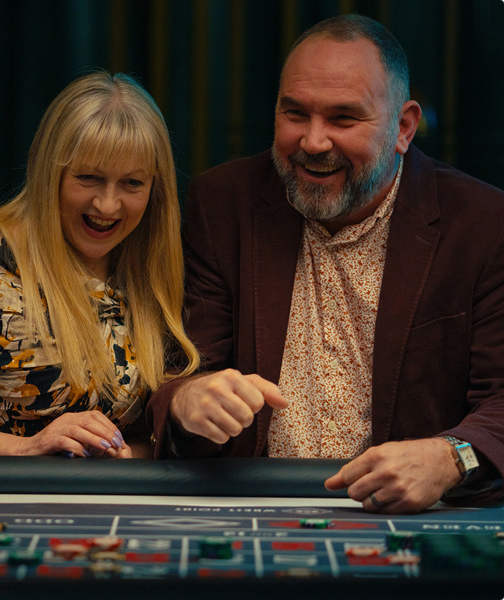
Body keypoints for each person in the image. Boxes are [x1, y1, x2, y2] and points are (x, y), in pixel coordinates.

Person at [146, 14, 504, 513]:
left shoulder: (484, 223)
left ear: (403, 128)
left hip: (409, 515)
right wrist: (187, 401)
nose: (313, 142)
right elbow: (181, 371)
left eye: (343, 119)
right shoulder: (222, 203)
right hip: (252, 504)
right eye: (295, 114)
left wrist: (449, 457)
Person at [0, 71, 199, 458]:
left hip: (95, 509)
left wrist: (125, 454)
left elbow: (141, 434)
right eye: (89, 178)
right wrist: (26, 449)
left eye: (132, 183)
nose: (107, 205)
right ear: (49, 171)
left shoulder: (147, 275)